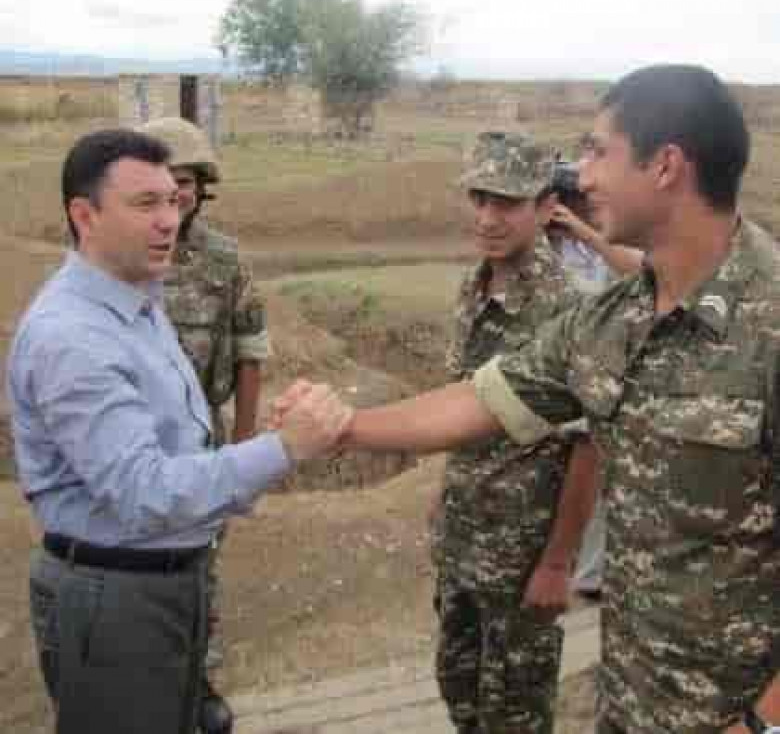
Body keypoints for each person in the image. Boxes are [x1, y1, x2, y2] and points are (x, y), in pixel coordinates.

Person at [277, 64, 780, 733]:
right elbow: (482, 400)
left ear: (665, 166)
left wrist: (760, 725)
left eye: (597, 151)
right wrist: (344, 425)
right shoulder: (612, 320)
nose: (582, 177)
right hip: (631, 702)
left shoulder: (768, 324)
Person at [6, 128, 349, 734]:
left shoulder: (135, 301)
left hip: (157, 584)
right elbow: (144, 491)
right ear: (84, 216)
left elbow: (180, 442)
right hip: (117, 599)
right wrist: (283, 448)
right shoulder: (74, 338)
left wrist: (261, 446)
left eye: (173, 199)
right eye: (145, 204)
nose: (169, 219)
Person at [430, 131, 598, 733]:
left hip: (524, 555)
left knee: (516, 714)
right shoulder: (472, 287)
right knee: (459, 690)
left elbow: (588, 445)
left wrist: (557, 562)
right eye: (479, 198)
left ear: (546, 206)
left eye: (506, 202)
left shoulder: (570, 309)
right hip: (463, 538)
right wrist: (444, 496)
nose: (487, 217)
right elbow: (462, 404)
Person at [139, 116, 270, 733]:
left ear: (202, 187)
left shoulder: (225, 260)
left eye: (185, 181)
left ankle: (198, 683)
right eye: (162, 180)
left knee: (199, 563)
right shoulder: (120, 251)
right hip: (131, 436)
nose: (175, 193)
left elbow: (250, 351)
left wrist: (244, 447)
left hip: (201, 440)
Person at [542, 175, 643, 601]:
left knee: (596, 473)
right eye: (559, 199)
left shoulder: (609, 236)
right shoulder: (541, 246)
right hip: (549, 366)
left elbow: (643, 271)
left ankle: (590, 577)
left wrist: (584, 232)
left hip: (601, 369)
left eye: (573, 199)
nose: (567, 207)